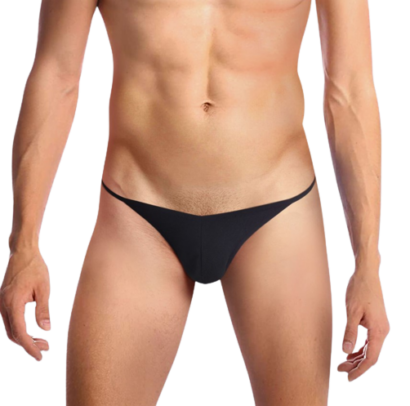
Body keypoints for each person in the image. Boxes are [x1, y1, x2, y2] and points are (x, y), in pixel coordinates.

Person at [1, 0, 390, 405]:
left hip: (277, 207)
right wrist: (23, 245)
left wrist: (368, 263)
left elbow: (350, 89)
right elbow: (57, 73)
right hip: (138, 211)